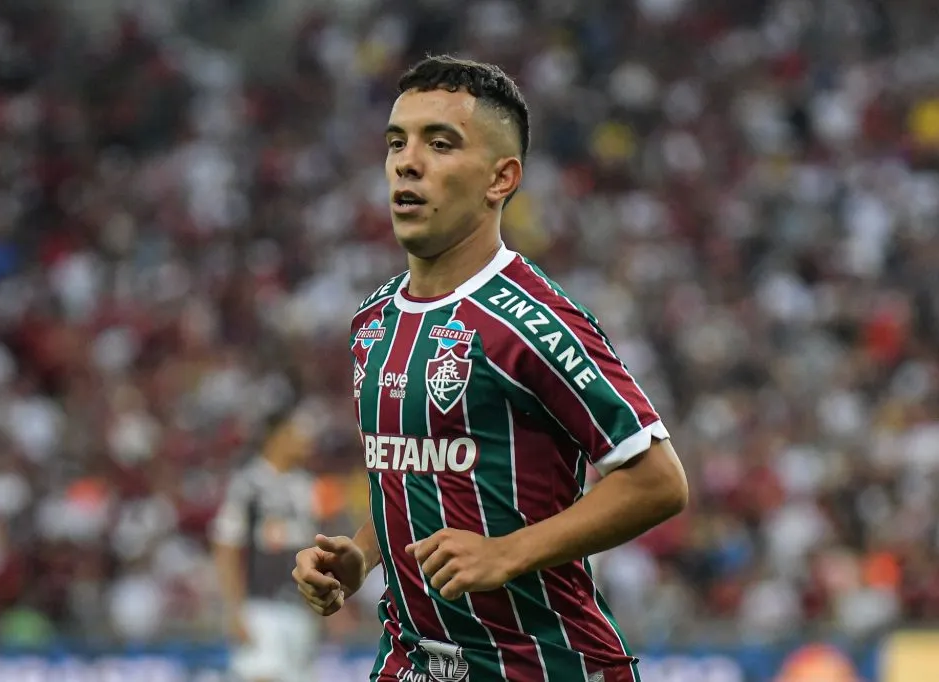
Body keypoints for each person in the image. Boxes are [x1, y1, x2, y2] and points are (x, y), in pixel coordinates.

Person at [292, 55, 689, 682]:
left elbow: (660, 481)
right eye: (397, 142)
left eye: (440, 143)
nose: (407, 161)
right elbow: (414, 471)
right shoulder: (371, 322)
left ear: (500, 179)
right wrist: (362, 556)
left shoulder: (533, 322)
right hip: (412, 662)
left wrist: (508, 553)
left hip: (543, 666)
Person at [212, 407, 322, 682]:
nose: (305, 441)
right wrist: (235, 611)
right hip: (261, 608)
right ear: (276, 438)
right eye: (297, 434)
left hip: (299, 608)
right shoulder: (248, 484)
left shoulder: (305, 486)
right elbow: (226, 549)